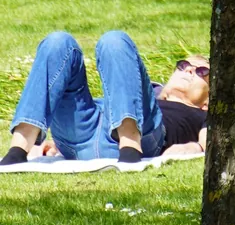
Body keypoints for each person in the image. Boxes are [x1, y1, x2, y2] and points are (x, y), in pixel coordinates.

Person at [1, 30, 209, 170]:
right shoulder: (143, 89)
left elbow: (210, 143)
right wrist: (52, 143)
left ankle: (129, 146)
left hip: (145, 137)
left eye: (201, 71)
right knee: (58, 42)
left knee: (115, 40)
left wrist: (194, 148)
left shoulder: (205, 113)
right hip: (82, 137)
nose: (189, 69)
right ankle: (19, 148)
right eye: (183, 65)